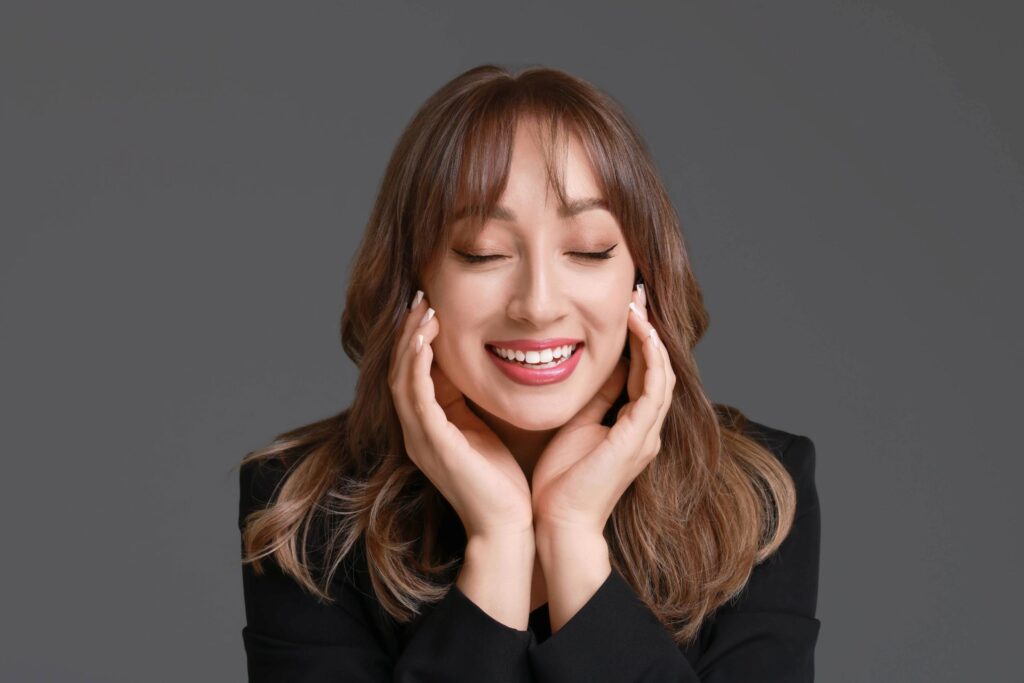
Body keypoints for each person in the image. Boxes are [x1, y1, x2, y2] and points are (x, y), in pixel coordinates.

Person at [237, 64, 821, 682]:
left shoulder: (756, 493)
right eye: (483, 252)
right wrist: (498, 544)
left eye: (589, 249)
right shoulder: (300, 507)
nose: (538, 304)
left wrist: (572, 539)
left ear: (641, 276)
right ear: (414, 281)